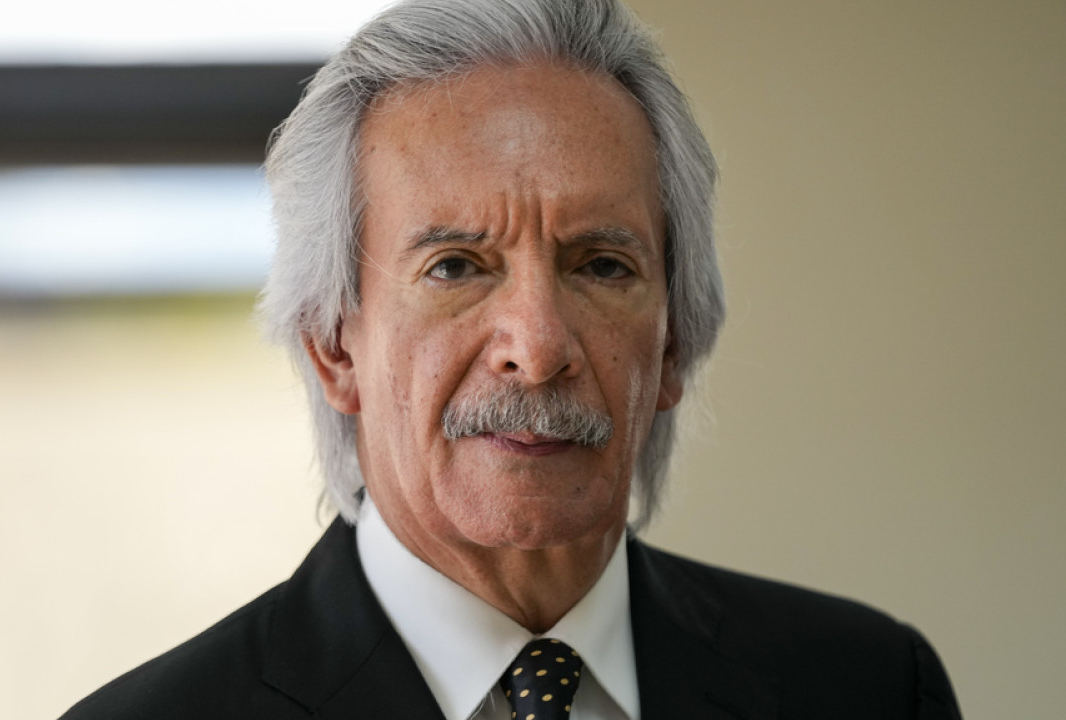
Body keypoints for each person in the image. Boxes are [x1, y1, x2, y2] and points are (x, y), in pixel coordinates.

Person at [60, 1, 962, 718]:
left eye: (601, 266)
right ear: (333, 345)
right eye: (455, 266)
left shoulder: (873, 690)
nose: (536, 348)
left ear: (674, 344)